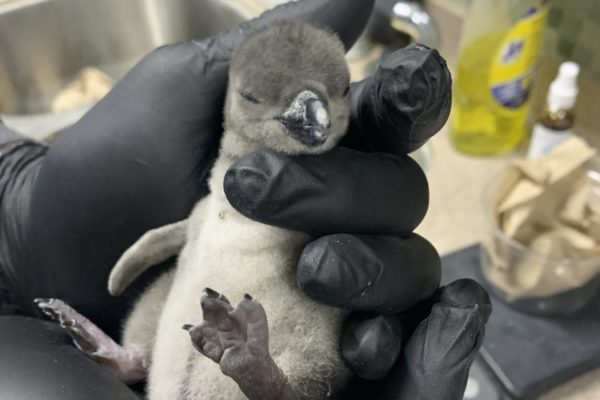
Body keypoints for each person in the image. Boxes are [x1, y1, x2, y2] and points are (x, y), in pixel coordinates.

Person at [0, 0, 491, 399]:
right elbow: (161, 248)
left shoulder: (328, 225)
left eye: (327, 95)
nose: (307, 114)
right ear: (236, 99)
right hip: (170, 362)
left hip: (263, 366)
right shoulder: (216, 190)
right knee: (172, 279)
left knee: (320, 311)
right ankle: (134, 358)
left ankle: (267, 380)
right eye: (259, 99)